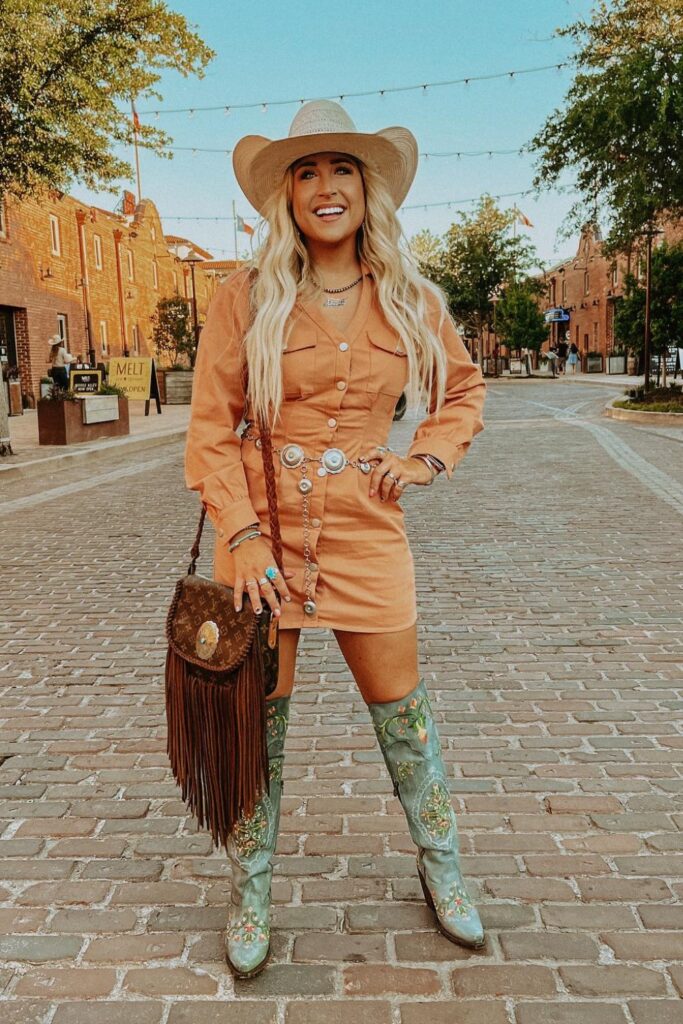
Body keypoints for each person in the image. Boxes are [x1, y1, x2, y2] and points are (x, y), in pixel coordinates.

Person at [184, 99, 487, 979]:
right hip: (262, 535)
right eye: (306, 172)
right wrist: (238, 534)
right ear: (286, 193)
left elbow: (461, 391)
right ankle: (251, 887)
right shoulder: (242, 296)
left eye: (341, 170)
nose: (324, 188)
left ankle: (443, 870)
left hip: (365, 531)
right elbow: (210, 429)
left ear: (367, 188)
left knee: (406, 718)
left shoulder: (408, 298)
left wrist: (425, 458)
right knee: (258, 724)